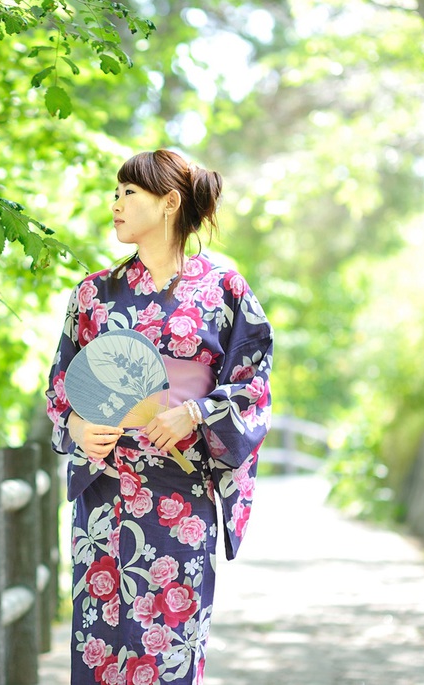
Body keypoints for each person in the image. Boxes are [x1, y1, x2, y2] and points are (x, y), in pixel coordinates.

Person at [45, 149, 273, 684]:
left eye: (129, 193)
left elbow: (252, 385)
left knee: (167, 647)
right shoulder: (93, 294)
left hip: (179, 494)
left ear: (169, 203)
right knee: (99, 648)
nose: (116, 203)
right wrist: (77, 428)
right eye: (116, 192)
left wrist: (195, 412)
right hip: (105, 493)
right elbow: (61, 387)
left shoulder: (224, 290)